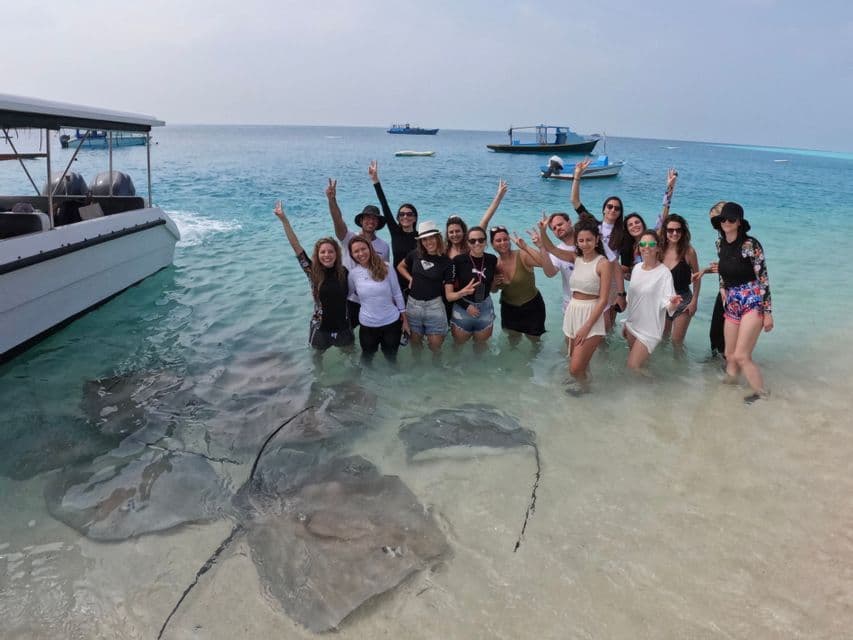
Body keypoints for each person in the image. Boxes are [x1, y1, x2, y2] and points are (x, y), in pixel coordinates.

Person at [698, 202, 773, 402]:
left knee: (741, 355)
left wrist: (767, 312)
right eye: (723, 219)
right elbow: (723, 269)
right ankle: (728, 388)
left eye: (731, 219)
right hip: (731, 300)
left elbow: (763, 278)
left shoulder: (751, 245)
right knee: (729, 354)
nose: (727, 222)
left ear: (739, 222)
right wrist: (722, 288)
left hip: (752, 300)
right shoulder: (720, 244)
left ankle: (762, 394)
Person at [273, 201, 354, 361]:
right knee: (317, 365)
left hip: (344, 327)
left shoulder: (344, 272)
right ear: (317, 255)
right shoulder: (312, 271)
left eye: (330, 251)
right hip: (320, 328)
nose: (327, 255)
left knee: (351, 361)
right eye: (322, 252)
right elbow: (296, 247)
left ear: (336, 254)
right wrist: (284, 221)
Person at [325, 178, 390, 327]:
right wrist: (332, 200)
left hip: (372, 300)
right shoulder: (349, 237)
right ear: (361, 221)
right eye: (367, 218)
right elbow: (337, 220)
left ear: (378, 224)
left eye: (374, 219)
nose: (371, 221)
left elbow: (384, 274)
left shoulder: (384, 246)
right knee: (346, 334)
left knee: (369, 337)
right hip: (349, 298)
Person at [571, 159, 626, 331]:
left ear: (619, 213)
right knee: (592, 317)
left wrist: (621, 292)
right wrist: (577, 176)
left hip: (612, 282)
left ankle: (606, 357)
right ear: (603, 209)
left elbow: (620, 263)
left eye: (617, 208)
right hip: (593, 276)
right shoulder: (593, 226)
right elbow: (575, 202)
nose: (612, 210)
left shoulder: (623, 233)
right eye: (609, 206)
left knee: (607, 325)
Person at [562, 219, 612, 391]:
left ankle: (586, 387)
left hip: (591, 315)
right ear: (576, 241)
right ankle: (584, 378)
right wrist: (543, 234)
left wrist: (586, 326)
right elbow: (552, 250)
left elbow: (604, 299)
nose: (585, 244)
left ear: (597, 240)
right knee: (577, 359)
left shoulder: (603, 263)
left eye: (589, 240)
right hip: (573, 311)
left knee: (574, 369)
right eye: (581, 240)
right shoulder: (577, 259)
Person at [622, 230, 682, 369]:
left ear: (658, 248)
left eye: (651, 244)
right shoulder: (636, 268)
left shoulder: (664, 273)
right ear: (639, 247)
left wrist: (673, 304)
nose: (646, 247)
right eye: (643, 243)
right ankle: (642, 391)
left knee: (633, 366)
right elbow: (632, 299)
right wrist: (626, 322)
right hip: (633, 325)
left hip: (650, 329)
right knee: (641, 366)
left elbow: (669, 306)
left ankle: (656, 387)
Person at [396, 221, 455, 357]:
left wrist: (463, 293)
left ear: (438, 238)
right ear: (421, 242)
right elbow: (400, 266)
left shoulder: (447, 262)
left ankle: (436, 371)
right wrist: (410, 278)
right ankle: (418, 372)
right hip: (413, 305)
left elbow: (449, 292)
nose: (428, 242)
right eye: (424, 239)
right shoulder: (415, 254)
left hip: (434, 306)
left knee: (435, 347)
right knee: (416, 346)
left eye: (431, 238)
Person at [347, 236, 408, 364]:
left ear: (370, 248)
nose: (361, 253)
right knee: (367, 359)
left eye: (363, 249)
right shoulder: (353, 274)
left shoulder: (386, 267)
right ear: (352, 255)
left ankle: (393, 383)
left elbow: (397, 293)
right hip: (367, 325)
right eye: (356, 251)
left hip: (391, 322)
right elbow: (347, 295)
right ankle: (368, 383)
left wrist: (405, 320)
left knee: (391, 359)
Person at [491, 225, 555, 346]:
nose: (503, 243)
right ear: (492, 244)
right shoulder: (495, 264)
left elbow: (544, 263)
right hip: (508, 309)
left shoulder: (522, 255)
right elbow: (493, 291)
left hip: (532, 307)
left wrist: (526, 247)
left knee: (535, 341)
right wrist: (493, 283)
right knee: (513, 340)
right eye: (498, 240)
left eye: (505, 239)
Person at [367, 160, 418, 293]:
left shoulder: (420, 237)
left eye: (409, 214)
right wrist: (375, 180)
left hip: (416, 281)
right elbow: (384, 205)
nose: (405, 217)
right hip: (396, 282)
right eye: (402, 214)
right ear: (398, 218)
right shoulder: (395, 231)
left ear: (415, 218)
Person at [446, 226, 497, 353]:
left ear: (486, 242)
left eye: (481, 240)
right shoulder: (458, 261)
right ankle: (456, 372)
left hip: (485, 307)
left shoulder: (492, 259)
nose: (477, 243)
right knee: (458, 347)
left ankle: (477, 372)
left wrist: (498, 283)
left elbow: (492, 288)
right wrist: (466, 306)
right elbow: (450, 293)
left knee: (481, 347)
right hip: (463, 307)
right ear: (467, 243)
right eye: (472, 241)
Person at [660, 213, 701, 351]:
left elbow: (697, 277)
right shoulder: (659, 251)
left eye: (678, 230)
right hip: (664, 300)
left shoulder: (689, 252)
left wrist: (694, 301)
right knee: (662, 340)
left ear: (683, 232)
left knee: (677, 342)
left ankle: (681, 370)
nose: (675, 233)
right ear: (665, 232)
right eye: (670, 230)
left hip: (684, 300)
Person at [444, 179, 508, 260]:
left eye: (457, 231)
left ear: (463, 231)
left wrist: (499, 196)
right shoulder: (444, 250)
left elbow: (485, 220)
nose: (455, 234)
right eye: (451, 232)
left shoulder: (471, 244)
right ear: (447, 234)